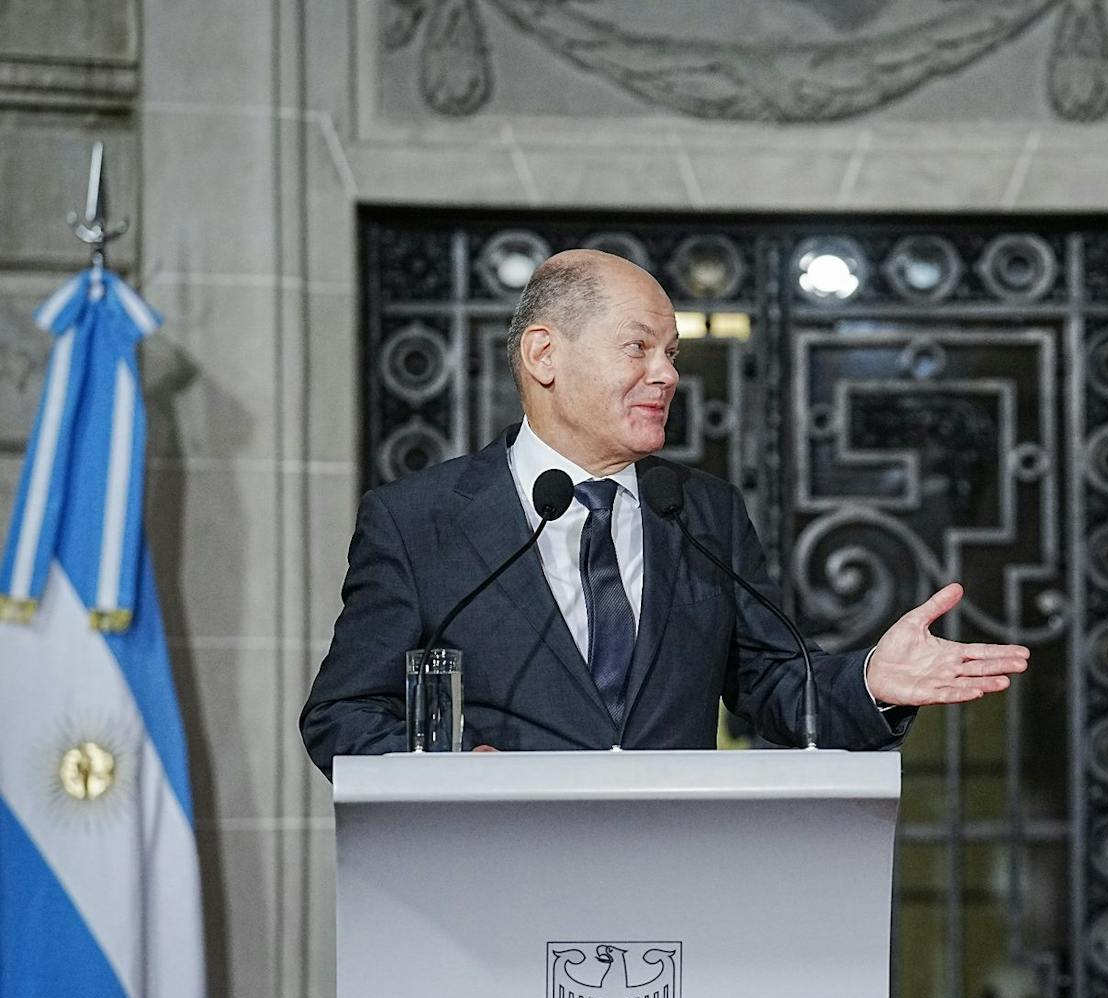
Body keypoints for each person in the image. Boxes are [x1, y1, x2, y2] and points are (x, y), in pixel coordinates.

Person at [302, 250, 1028, 776]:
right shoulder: (419, 520)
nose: (668, 375)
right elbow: (342, 716)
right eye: (639, 348)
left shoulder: (701, 512)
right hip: (491, 888)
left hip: (674, 885)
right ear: (544, 355)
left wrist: (869, 680)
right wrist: (453, 773)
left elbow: (772, 686)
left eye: (672, 353)